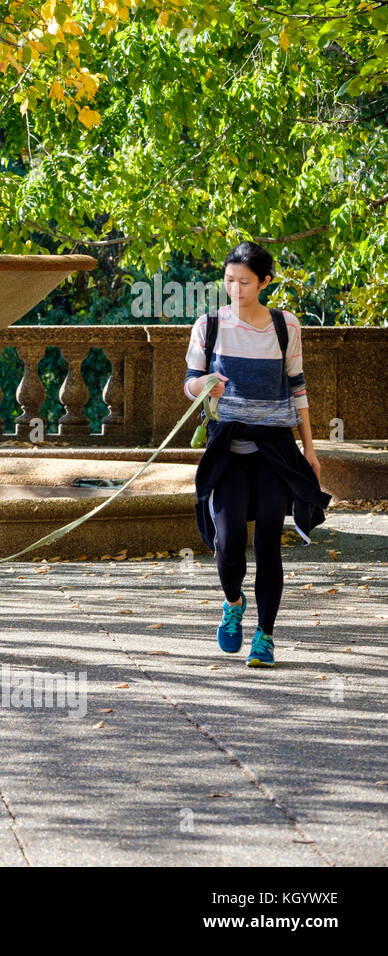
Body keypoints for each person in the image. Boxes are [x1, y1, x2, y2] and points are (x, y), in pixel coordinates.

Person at [184, 241, 330, 668]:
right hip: (228, 447)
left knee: (268, 540)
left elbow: (298, 388)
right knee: (227, 541)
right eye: (229, 280)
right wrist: (205, 383)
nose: (236, 288)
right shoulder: (209, 325)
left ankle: (265, 636)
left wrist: (310, 448)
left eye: (245, 282)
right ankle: (233, 603)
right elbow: (189, 385)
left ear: (265, 282)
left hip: (275, 449)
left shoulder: (285, 326)